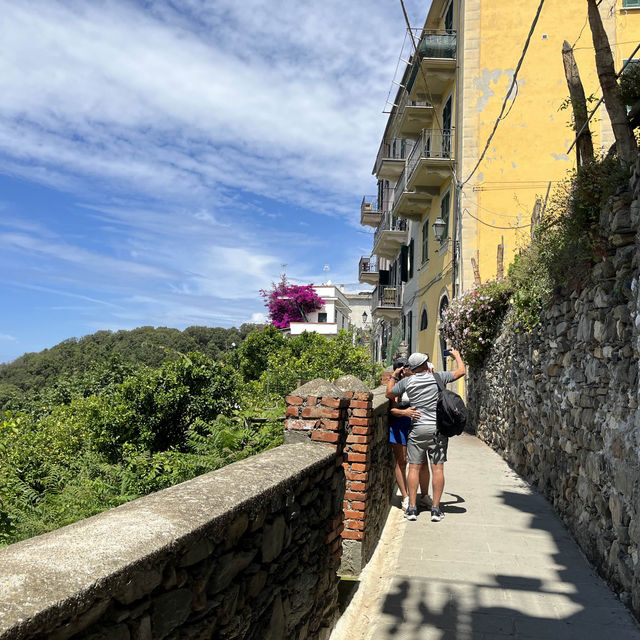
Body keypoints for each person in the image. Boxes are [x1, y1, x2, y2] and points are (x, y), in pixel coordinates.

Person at [386, 349, 466, 522]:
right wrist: (457, 356)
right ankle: (436, 510)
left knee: (413, 467)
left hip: (417, 429)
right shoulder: (438, 377)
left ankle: (412, 508)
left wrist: (393, 375)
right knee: (437, 468)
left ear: (412, 367)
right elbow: (461, 371)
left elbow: (389, 393)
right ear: (425, 364)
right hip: (437, 430)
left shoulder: (407, 381)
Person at [388, 360, 430, 510]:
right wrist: (405, 412)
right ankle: (405, 496)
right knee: (402, 461)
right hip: (400, 425)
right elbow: (393, 408)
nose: (409, 369)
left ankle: (424, 495)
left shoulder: (417, 381)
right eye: (406, 368)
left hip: (417, 425)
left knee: (422, 461)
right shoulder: (398, 387)